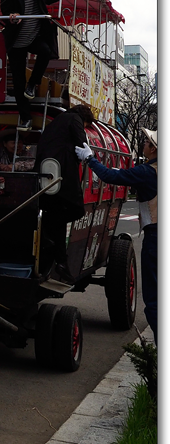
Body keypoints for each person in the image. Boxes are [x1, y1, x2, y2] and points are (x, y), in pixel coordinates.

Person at [76, 128, 157, 344]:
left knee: (153, 298)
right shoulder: (148, 171)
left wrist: (90, 159)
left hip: (155, 238)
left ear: (153, 149)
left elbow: (112, 177)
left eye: (147, 143)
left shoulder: (147, 172)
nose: (144, 145)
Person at [0, 0, 76, 130]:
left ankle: (32, 84)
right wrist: (12, 16)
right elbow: (5, 10)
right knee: (18, 82)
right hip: (16, 41)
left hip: (34, 36)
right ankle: (25, 118)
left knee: (45, 51)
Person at [35, 104, 95, 280]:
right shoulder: (74, 119)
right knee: (72, 210)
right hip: (62, 175)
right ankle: (57, 255)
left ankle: (58, 259)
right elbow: (81, 142)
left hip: (46, 175)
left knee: (54, 218)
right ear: (84, 119)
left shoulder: (55, 122)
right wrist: (87, 155)